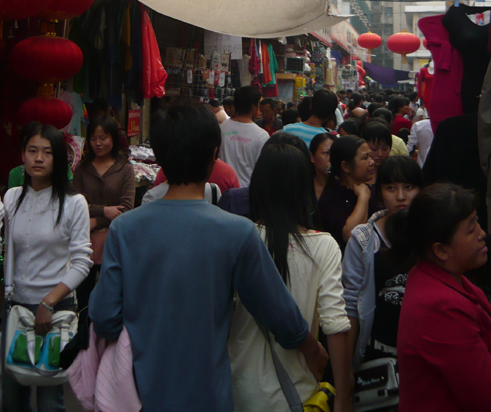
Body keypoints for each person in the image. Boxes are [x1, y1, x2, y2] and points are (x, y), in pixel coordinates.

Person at [89, 103, 328, 412]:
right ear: (214, 154)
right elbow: (279, 313)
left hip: (136, 395)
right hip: (206, 396)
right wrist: (312, 349)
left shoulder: (125, 228)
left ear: (158, 158)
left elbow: (105, 317)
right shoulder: (236, 233)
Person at [229, 142, 352, 412]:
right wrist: (343, 396)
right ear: (304, 188)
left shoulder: (238, 238)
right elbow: (335, 324)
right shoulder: (324, 246)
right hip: (296, 393)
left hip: (237, 389)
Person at [397, 183, 491, 412]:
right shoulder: (440, 308)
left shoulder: (443, 279)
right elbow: (490, 403)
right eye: (470, 229)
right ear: (440, 250)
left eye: (477, 221)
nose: (482, 233)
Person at [2, 123, 92, 412]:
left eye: (47, 152)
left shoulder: (74, 203)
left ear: (59, 159)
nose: (38, 158)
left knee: (51, 399)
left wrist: (48, 302)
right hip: (16, 308)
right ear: (23, 156)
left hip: (55, 311)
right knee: (13, 396)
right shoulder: (12, 198)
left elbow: (82, 262)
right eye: (32, 151)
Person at [342, 156, 423, 367]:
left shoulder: (432, 234)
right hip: (378, 354)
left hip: (425, 352)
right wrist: (346, 371)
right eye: (391, 188)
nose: (401, 196)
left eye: (409, 186)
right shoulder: (364, 239)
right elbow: (351, 305)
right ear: (379, 192)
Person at [72, 115, 135, 317]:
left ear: (113, 139)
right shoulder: (83, 168)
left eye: (103, 138)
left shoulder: (125, 169)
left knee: (111, 298)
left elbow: (126, 209)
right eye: (93, 138)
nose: (98, 143)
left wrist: (95, 219)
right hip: (84, 242)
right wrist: (105, 211)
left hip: (112, 241)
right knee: (82, 296)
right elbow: (74, 204)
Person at [318, 135, 375, 251]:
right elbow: (350, 235)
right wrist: (363, 197)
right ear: (346, 166)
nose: (372, 162)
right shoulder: (330, 198)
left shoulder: (372, 190)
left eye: (370, 156)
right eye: (365, 158)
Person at [219, 86, 269, 187]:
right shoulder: (261, 136)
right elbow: (263, 171)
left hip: (222, 190)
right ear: (253, 107)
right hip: (246, 193)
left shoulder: (221, 128)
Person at [310, 132, 336, 200]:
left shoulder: (346, 188)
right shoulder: (305, 189)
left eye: (334, 153)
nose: (331, 158)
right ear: (312, 157)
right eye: (326, 153)